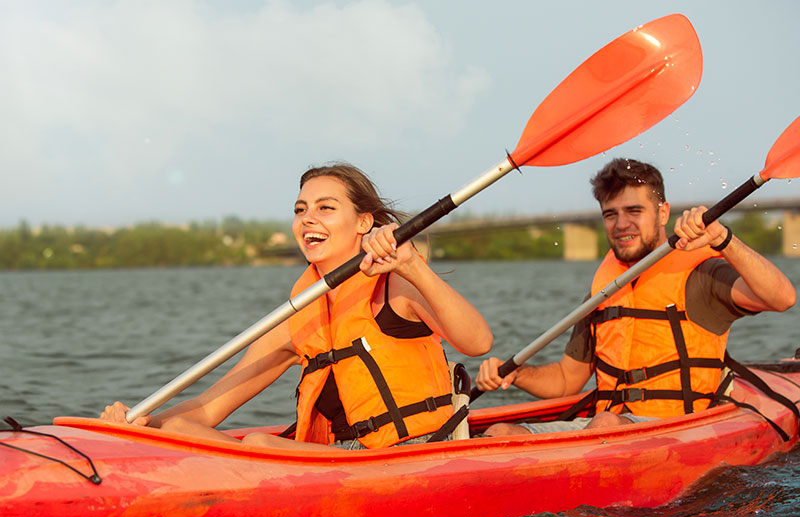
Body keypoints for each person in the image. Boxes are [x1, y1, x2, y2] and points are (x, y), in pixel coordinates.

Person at [101, 162, 493, 449]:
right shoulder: (299, 317)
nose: (308, 219)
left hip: (414, 451)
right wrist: (138, 425)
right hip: (340, 462)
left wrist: (412, 266)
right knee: (178, 430)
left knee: (259, 443)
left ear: (363, 223)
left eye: (325, 208)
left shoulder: (397, 286)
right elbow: (207, 407)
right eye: (300, 209)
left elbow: (478, 342)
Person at [476, 158, 796, 435]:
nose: (621, 224)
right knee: (499, 432)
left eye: (634, 211)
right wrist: (517, 373)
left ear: (662, 213)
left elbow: (782, 298)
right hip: (609, 427)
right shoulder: (606, 286)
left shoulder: (701, 274)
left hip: (679, 428)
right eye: (610, 214)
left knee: (604, 425)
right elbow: (566, 381)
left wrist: (725, 239)